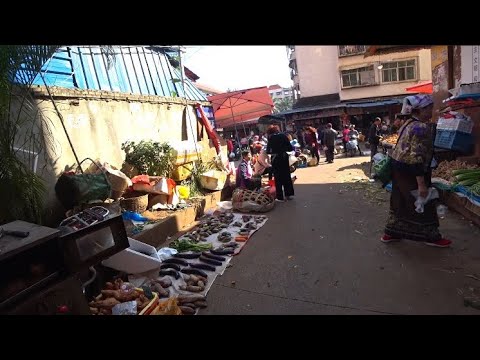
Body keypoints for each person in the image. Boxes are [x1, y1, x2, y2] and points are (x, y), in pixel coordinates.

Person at [382, 94, 451, 248]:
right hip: (410, 172)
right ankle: (431, 236)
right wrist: (421, 184)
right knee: (424, 202)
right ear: (420, 110)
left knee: (400, 201)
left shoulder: (407, 123)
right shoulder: (421, 127)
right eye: (429, 108)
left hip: (398, 168)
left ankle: (391, 232)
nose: (431, 111)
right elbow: (417, 156)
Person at [266, 125, 294, 202]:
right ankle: (288, 195)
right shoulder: (284, 136)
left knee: (278, 178)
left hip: (275, 159)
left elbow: (268, 151)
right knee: (286, 176)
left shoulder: (271, 138)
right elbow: (290, 148)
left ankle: (280, 197)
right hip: (284, 158)